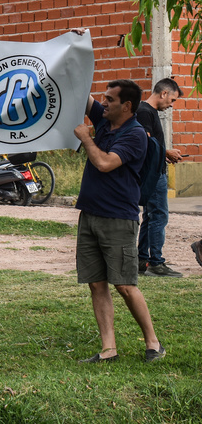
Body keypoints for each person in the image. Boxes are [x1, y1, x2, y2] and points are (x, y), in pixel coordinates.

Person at [73, 79, 164, 363]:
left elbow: (105, 163)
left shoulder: (135, 134)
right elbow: (81, 94)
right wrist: (75, 51)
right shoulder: (104, 121)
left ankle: (153, 343)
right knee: (96, 283)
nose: (104, 102)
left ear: (126, 106)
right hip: (89, 215)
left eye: (110, 99)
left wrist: (86, 138)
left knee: (124, 285)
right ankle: (108, 349)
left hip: (118, 219)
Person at [136, 78, 184, 277]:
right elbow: (146, 144)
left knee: (150, 216)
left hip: (154, 173)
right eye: (172, 100)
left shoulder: (148, 111)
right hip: (153, 175)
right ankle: (156, 262)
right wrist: (166, 153)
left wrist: (166, 152)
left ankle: (141, 260)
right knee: (159, 216)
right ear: (163, 93)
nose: (171, 105)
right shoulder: (145, 112)